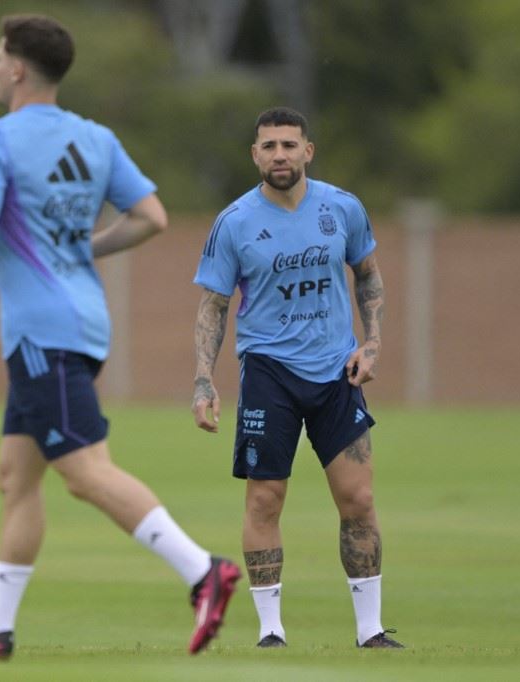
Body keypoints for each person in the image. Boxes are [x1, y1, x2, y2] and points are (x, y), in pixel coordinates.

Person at [0, 14, 240, 659]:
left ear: (17, 69)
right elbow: (150, 216)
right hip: (83, 322)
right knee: (16, 476)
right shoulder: (96, 138)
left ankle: (203, 571)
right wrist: (80, 249)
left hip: (43, 332)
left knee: (85, 473)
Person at [191, 106, 403, 649]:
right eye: (269, 146)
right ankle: (271, 631)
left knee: (358, 498)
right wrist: (203, 380)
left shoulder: (343, 208)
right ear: (255, 155)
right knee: (265, 499)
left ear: (308, 150)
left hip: (337, 371)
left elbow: (369, 276)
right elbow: (213, 306)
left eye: (289, 144)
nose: (279, 155)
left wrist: (372, 343)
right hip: (269, 372)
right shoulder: (234, 222)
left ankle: (371, 630)